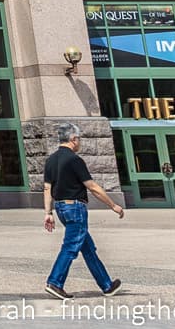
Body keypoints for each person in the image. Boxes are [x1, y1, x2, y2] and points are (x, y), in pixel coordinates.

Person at [42, 123, 123, 299]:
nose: (79, 143)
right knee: (71, 247)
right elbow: (92, 186)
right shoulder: (74, 160)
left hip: (61, 208)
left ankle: (107, 285)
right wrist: (113, 205)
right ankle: (55, 282)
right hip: (75, 208)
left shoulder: (51, 160)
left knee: (87, 248)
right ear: (73, 139)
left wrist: (48, 213)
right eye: (79, 139)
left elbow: (47, 188)